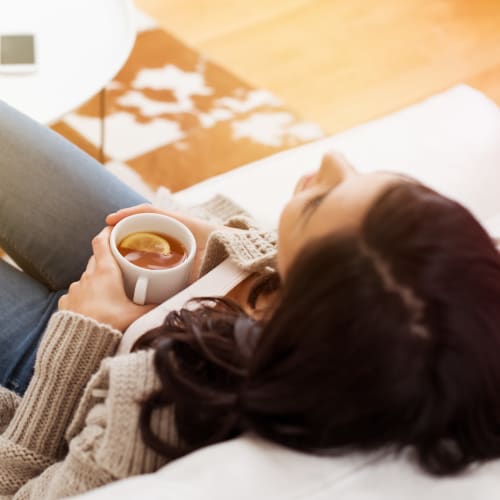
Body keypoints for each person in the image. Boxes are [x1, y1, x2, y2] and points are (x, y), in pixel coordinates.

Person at [1, 100, 500, 499]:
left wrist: (79, 335)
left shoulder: (149, 417)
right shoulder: (410, 312)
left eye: (320, 203)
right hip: (175, 266)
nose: (333, 158)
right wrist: (226, 252)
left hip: (64, 367)